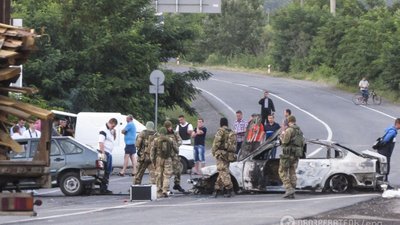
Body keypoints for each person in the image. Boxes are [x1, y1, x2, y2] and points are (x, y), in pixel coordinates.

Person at [279, 115, 304, 199]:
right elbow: (302, 143)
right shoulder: (299, 131)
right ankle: (292, 189)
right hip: (296, 155)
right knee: (292, 172)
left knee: (282, 171)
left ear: (289, 122)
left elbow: (284, 142)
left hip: (288, 155)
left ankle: (289, 188)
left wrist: (281, 136)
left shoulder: (289, 130)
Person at [212, 117, 236, 198]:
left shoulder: (221, 131)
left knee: (223, 171)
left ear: (221, 123)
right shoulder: (231, 131)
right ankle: (217, 189)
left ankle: (230, 189)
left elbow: (216, 143)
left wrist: (214, 152)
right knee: (222, 172)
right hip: (229, 155)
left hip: (221, 154)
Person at [151, 127, 175, 198]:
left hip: (159, 159)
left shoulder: (156, 140)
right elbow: (175, 150)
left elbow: (152, 152)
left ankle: (159, 191)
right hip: (168, 159)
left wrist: (153, 161)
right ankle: (165, 189)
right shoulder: (170, 140)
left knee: (158, 175)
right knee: (166, 175)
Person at [98, 118, 118, 194]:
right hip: (103, 153)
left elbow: (113, 140)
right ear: (111, 123)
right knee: (104, 171)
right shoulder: (103, 130)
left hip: (109, 153)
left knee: (108, 171)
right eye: (113, 126)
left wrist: (114, 133)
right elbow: (101, 143)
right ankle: (102, 189)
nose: (113, 127)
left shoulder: (110, 130)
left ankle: (104, 188)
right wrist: (102, 155)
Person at [165, 121, 185, 192]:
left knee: (178, 170)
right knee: (168, 172)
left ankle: (177, 184)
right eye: (168, 127)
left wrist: (175, 145)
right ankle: (166, 187)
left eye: (170, 127)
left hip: (175, 155)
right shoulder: (164, 133)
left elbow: (180, 141)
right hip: (167, 156)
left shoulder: (175, 133)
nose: (169, 128)